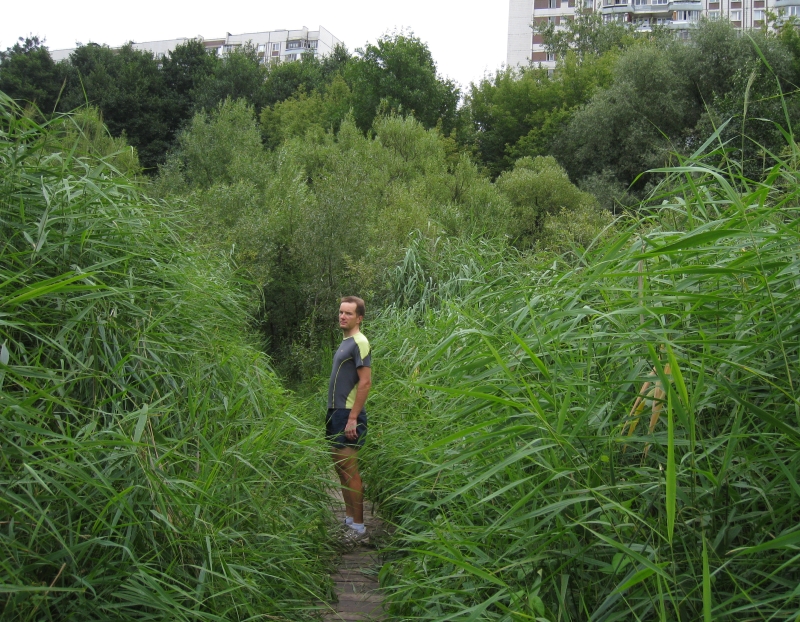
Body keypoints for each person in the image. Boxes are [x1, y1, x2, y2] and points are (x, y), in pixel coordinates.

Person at [327, 295, 372, 543]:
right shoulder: (346, 342)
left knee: (350, 470)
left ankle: (359, 528)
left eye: (349, 313)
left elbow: (365, 382)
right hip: (336, 412)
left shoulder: (359, 342)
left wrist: (353, 417)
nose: (343, 316)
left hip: (347, 413)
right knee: (341, 469)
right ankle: (348, 520)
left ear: (359, 318)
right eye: (341, 312)